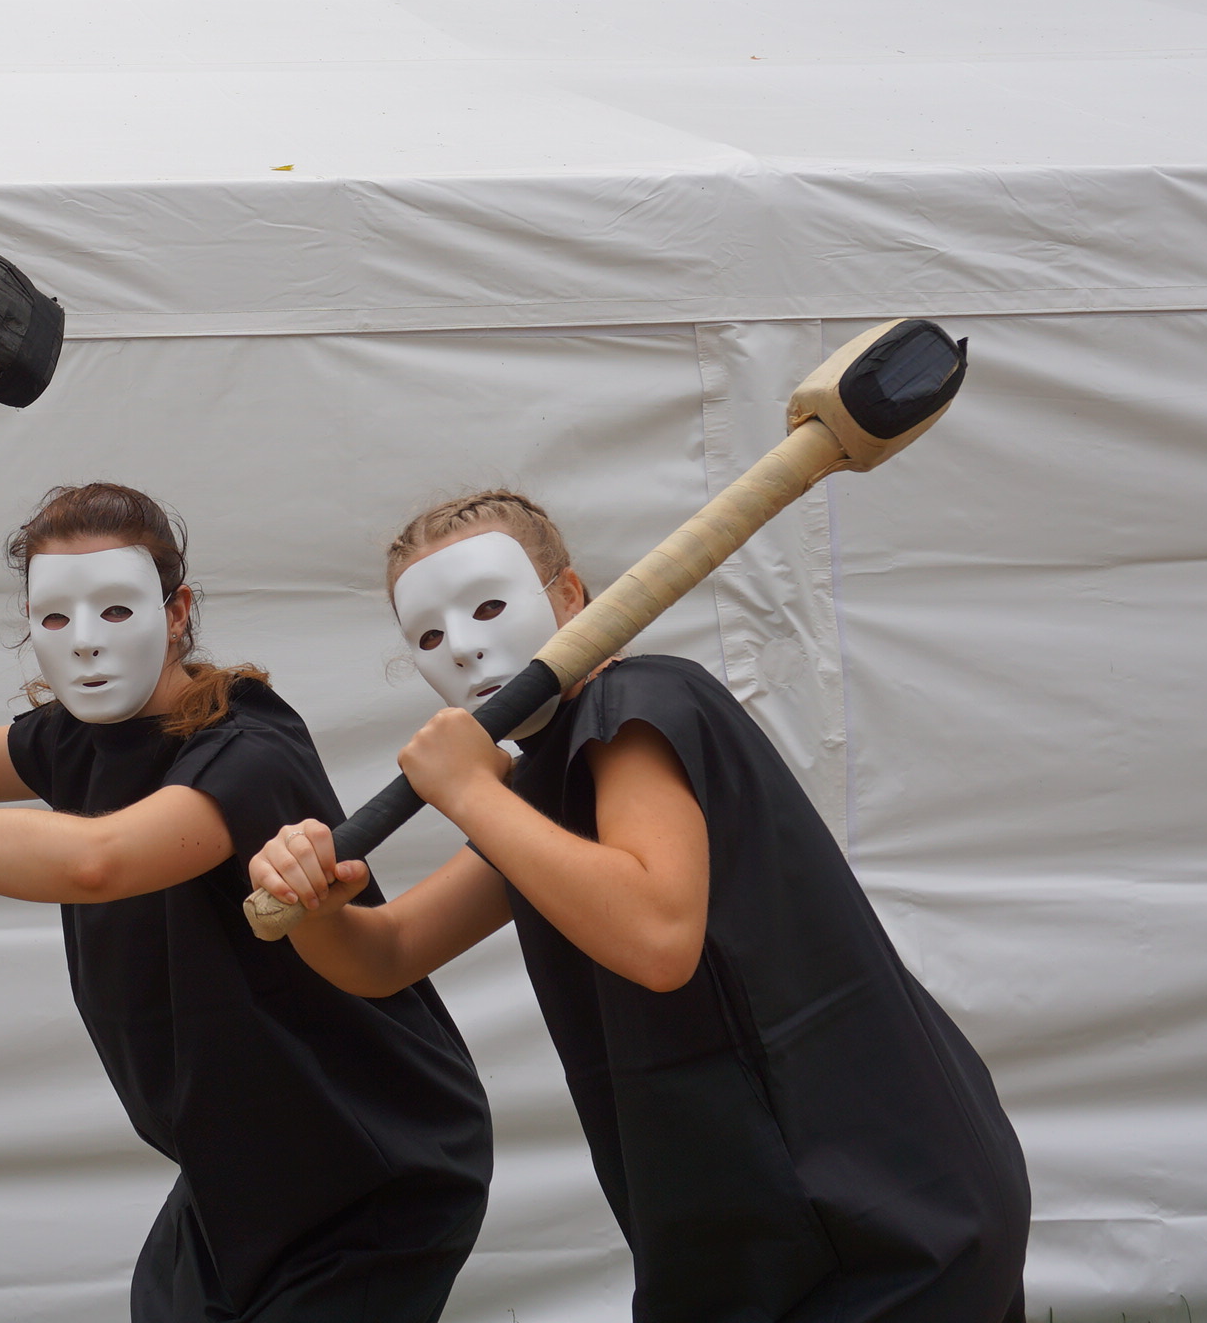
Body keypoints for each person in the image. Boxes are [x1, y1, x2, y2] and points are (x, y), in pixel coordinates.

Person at [249, 490, 1031, 1323]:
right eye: (430, 637)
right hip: (762, 1220)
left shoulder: (637, 704)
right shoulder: (541, 791)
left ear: (570, 596)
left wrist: (471, 792)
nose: (466, 648)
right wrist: (319, 907)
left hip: (884, 1215)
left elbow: (657, 938)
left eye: (488, 607)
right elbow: (389, 953)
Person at [0, 483, 492, 1323]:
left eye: (116, 610)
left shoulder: (247, 749)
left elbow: (100, 861)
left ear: (178, 611)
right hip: (235, 1175)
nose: (85, 640)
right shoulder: (79, 737)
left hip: (368, 1163)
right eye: (55, 617)